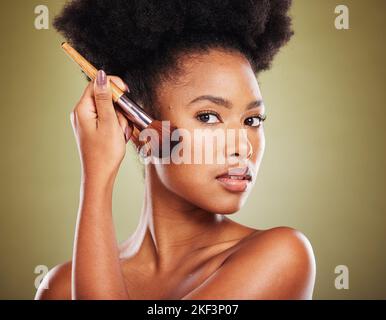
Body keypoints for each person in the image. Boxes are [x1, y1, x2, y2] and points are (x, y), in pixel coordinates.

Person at [35, 0, 315, 300]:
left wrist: (96, 182)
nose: (242, 147)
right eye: (208, 116)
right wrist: (97, 175)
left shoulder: (281, 257)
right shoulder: (65, 286)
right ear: (143, 132)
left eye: (252, 120)